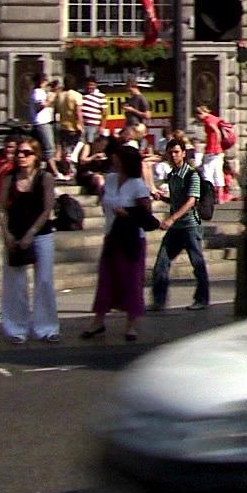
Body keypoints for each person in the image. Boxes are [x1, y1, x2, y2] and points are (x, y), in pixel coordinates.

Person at [83, 125, 160, 342]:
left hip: (132, 238)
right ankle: (97, 322)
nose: (114, 159)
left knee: (131, 279)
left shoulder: (137, 185)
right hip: (111, 234)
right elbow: (104, 201)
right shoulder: (109, 180)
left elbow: (146, 214)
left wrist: (127, 213)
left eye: (118, 157)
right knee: (107, 277)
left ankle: (131, 325)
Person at [0, 135, 58, 344]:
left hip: (40, 233)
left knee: (44, 281)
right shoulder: (9, 178)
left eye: (27, 153)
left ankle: (47, 327)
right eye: (19, 153)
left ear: (36, 156)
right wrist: (7, 234)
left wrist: (31, 234)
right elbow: (2, 209)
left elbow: (47, 209)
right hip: (15, 233)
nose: (22, 157)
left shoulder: (45, 178)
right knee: (15, 283)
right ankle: (16, 327)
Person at [149, 141, 209, 313]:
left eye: (176, 152)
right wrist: (163, 198)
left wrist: (171, 219)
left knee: (197, 264)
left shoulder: (192, 175)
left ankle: (202, 299)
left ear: (183, 153)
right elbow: (177, 200)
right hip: (176, 228)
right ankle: (159, 301)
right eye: (170, 153)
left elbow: (191, 201)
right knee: (162, 262)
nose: (173, 155)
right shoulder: (172, 175)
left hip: (190, 226)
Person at [195, 103, 229, 202]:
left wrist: (216, 145)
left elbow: (217, 132)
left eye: (198, 115)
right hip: (218, 151)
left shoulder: (208, 121)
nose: (198, 118)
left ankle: (208, 196)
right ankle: (220, 197)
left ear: (201, 113)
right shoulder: (215, 118)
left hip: (212, 150)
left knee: (207, 173)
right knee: (218, 172)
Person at [53, 78, 84, 164]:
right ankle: (73, 157)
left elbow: (56, 111)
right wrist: (81, 125)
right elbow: (78, 113)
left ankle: (66, 167)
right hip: (73, 126)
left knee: (65, 149)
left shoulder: (59, 95)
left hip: (63, 126)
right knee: (83, 141)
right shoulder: (76, 95)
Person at [30, 75, 57, 162]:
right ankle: (53, 171)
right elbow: (39, 106)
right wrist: (50, 100)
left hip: (45, 122)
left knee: (43, 148)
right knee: (49, 148)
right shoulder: (37, 92)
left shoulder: (41, 92)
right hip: (42, 123)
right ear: (42, 82)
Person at [79, 78, 108, 147]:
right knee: (82, 144)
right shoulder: (83, 95)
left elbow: (104, 113)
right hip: (83, 125)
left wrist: (102, 127)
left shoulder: (101, 96)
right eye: (88, 85)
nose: (90, 87)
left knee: (91, 144)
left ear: (96, 85)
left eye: (92, 85)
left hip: (94, 125)